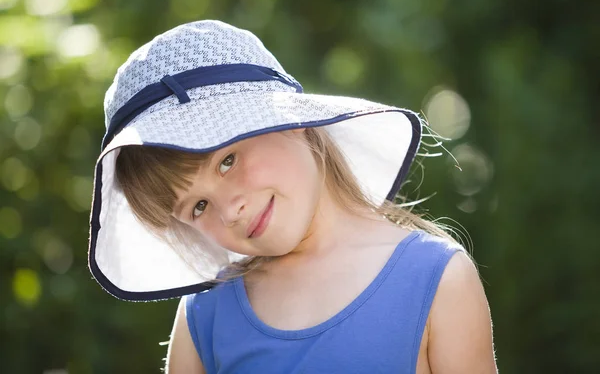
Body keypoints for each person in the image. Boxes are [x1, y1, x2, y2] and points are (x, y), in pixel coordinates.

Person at [88, 20, 497, 373]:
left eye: (227, 161)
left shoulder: (434, 278)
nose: (230, 210)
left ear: (290, 119)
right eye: (198, 207)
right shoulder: (206, 312)